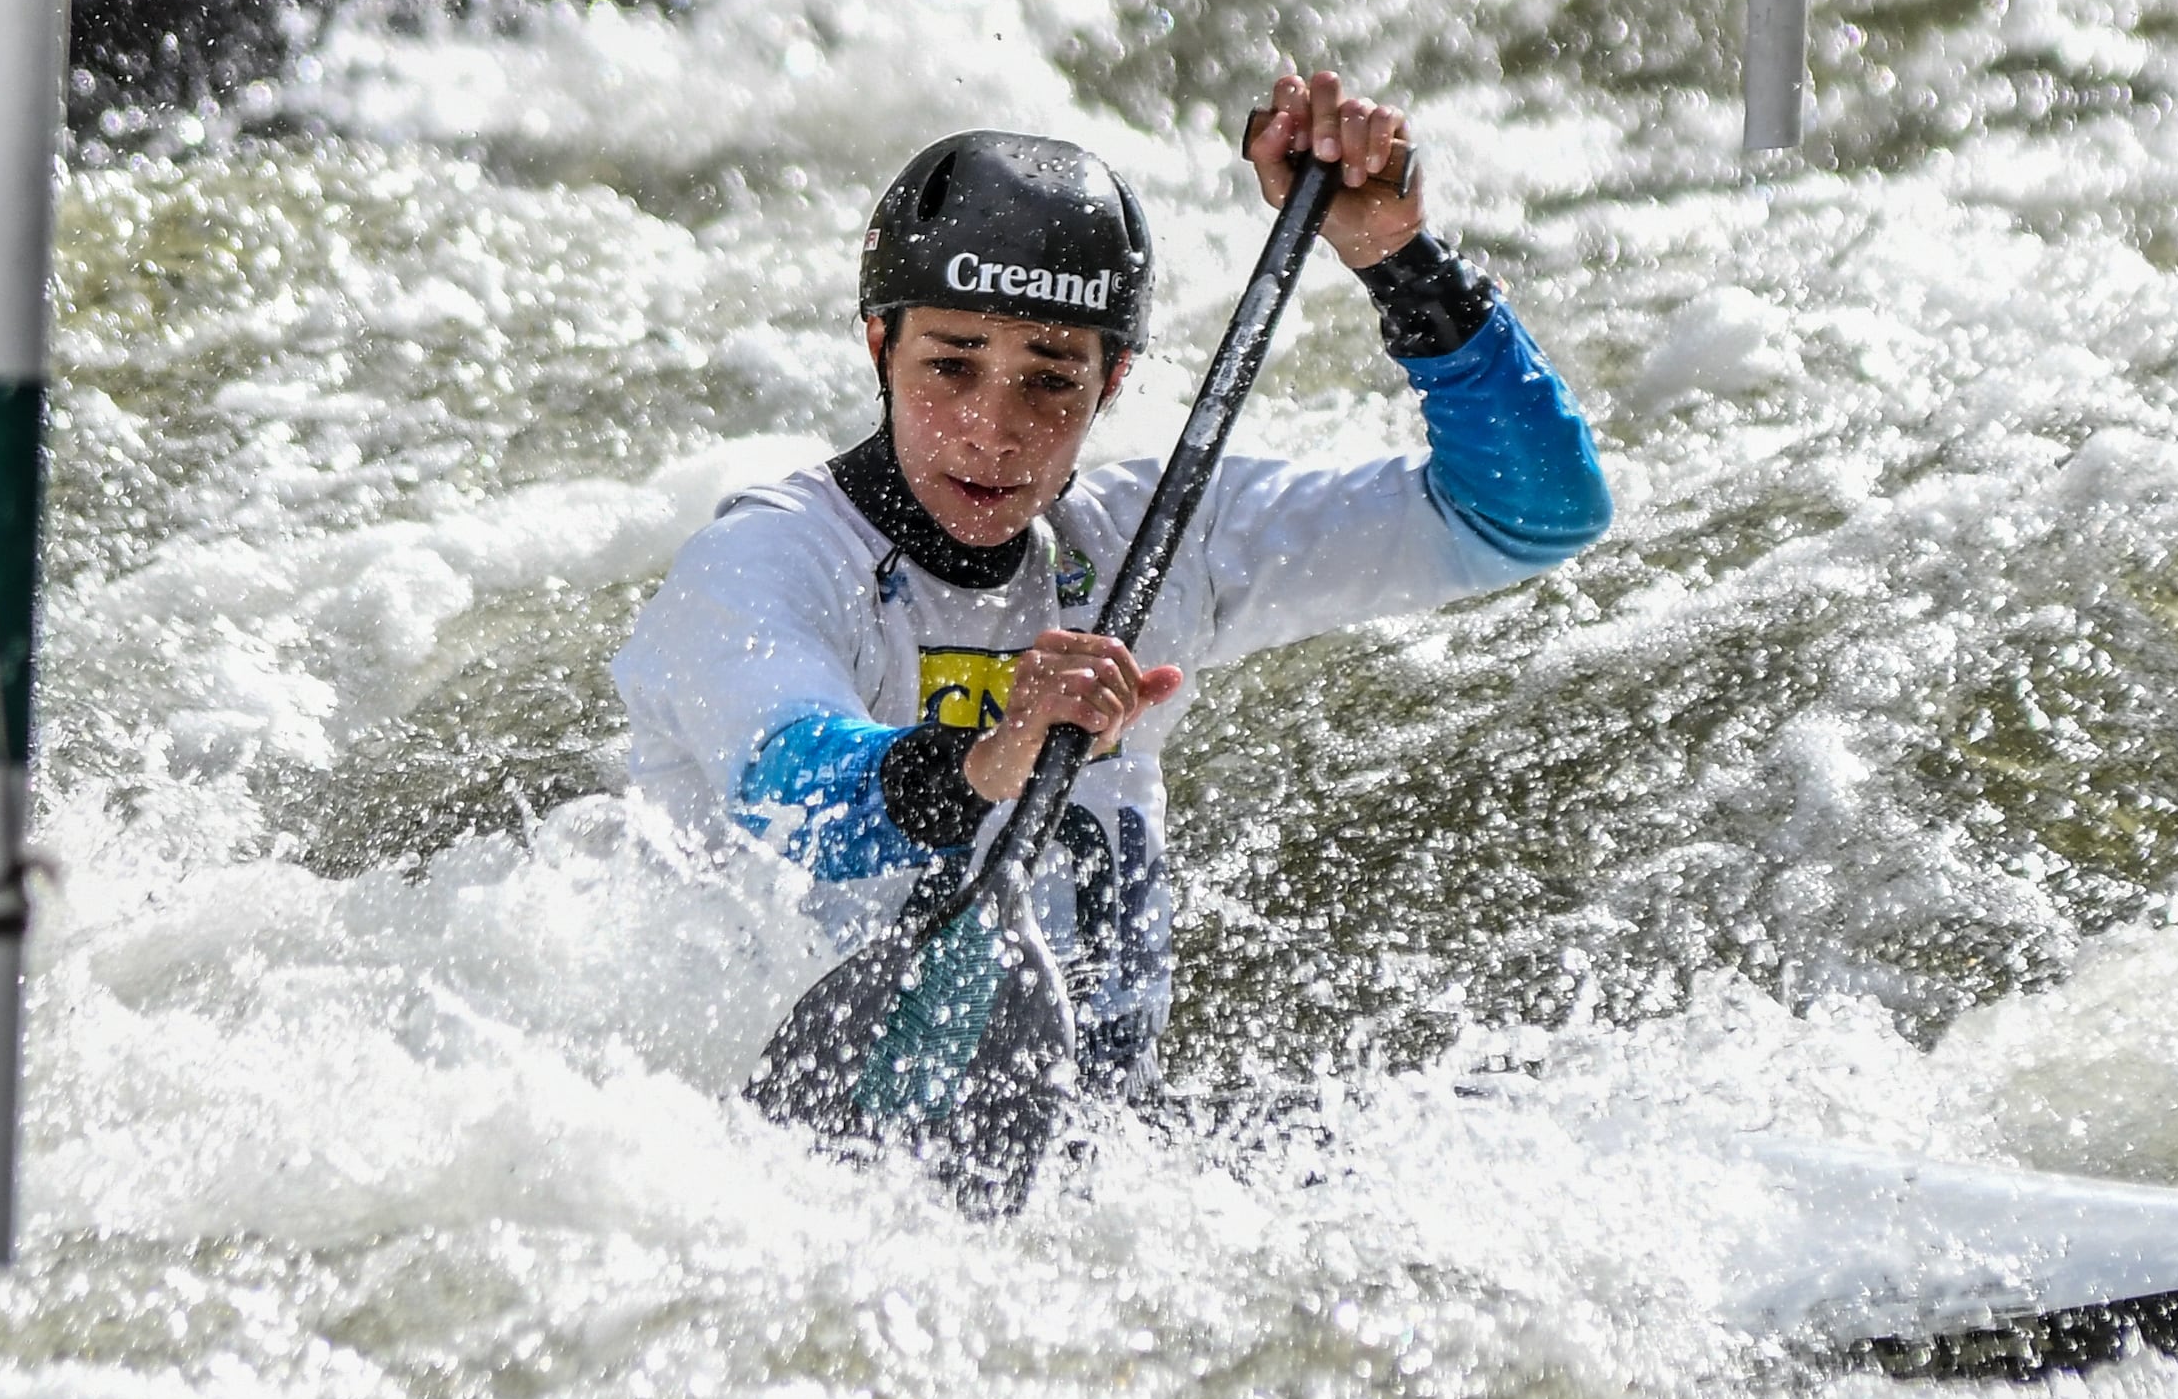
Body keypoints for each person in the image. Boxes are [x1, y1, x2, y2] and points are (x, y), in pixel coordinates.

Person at [615, 70, 1612, 1093]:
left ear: (1114, 381)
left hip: (1088, 1152)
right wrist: (994, 753)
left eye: (1049, 379)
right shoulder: (765, 560)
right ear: (880, 345)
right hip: (761, 1150)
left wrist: (1395, 258)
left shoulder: (1158, 535)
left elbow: (1528, 514)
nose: (994, 430)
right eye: (950, 366)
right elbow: (801, 803)